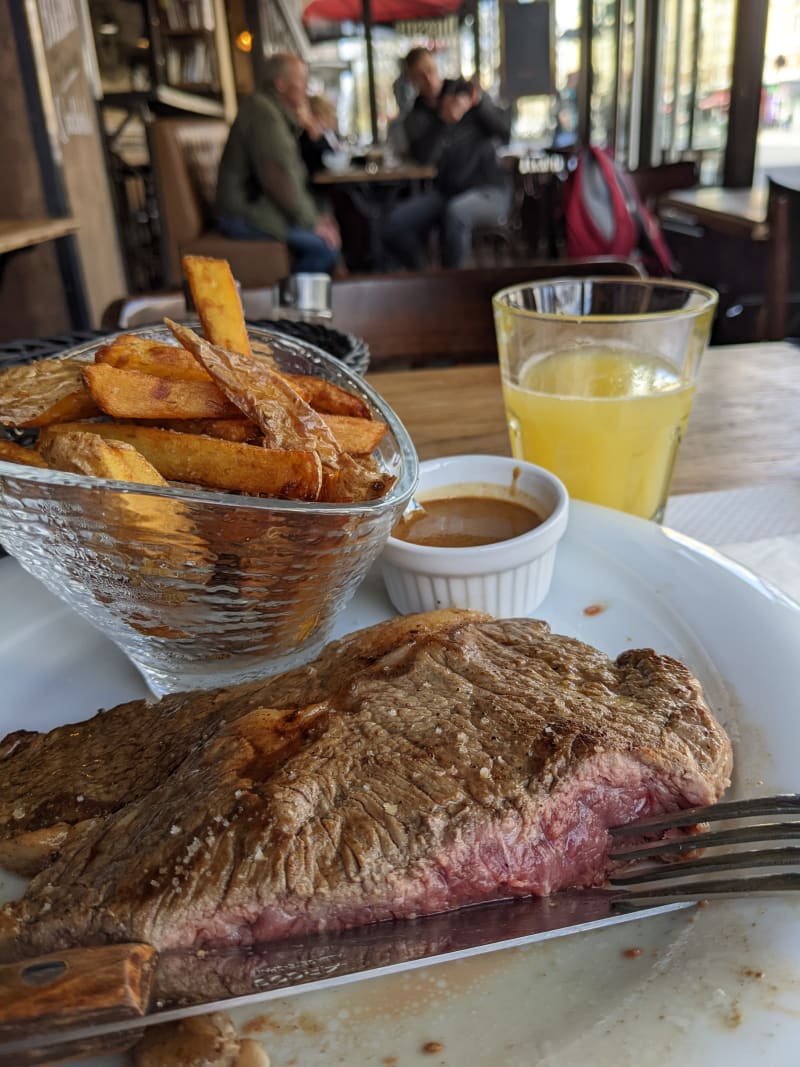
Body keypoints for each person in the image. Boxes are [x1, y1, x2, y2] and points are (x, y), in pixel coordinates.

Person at [216, 53, 340, 274]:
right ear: (281, 84)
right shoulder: (264, 115)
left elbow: (289, 179)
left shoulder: (271, 111)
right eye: (301, 80)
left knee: (328, 230)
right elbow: (279, 180)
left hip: (257, 208)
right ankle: (293, 304)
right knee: (324, 249)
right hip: (241, 214)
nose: (306, 87)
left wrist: (317, 217)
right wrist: (313, 223)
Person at [383, 72, 512, 270]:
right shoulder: (435, 121)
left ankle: (451, 281)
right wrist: (444, 121)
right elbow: (423, 158)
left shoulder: (480, 116)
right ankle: (423, 274)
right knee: (394, 223)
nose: (454, 104)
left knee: (456, 212)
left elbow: (505, 134)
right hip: (447, 193)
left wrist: (477, 105)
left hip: (490, 192)